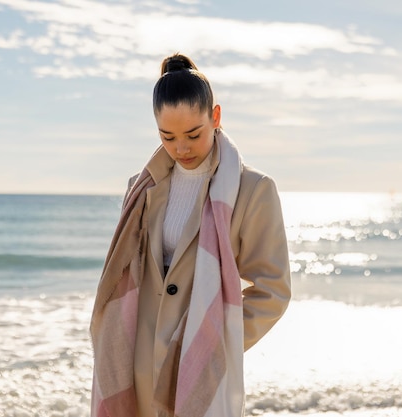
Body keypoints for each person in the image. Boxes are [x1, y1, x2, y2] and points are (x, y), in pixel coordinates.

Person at [90, 53, 291, 417]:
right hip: (136, 364)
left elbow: (273, 290)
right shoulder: (140, 188)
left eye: (193, 135)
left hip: (199, 369)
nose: (181, 148)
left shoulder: (253, 189)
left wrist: (212, 344)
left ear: (215, 117)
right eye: (167, 137)